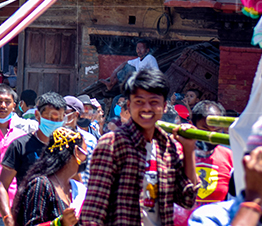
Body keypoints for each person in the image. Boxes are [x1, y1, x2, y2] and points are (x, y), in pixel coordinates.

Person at [79, 69, 197, 226]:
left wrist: (189, 150)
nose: (146, 108)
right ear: (129, 105)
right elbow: (93, 213)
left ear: (164, 106)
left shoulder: (169, 147)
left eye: (154, 102)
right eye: (139, 101)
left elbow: (187, 200)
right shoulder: (112, 145)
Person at [13, 127, 88, 226]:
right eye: (84, 153)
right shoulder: (41, 185)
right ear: (76, 152)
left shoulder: (77, 189)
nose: (86, 158)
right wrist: (60, 223)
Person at [1, 92, 67, 193]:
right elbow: (3, 186)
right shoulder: (20, 146)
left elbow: (77, 183)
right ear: (37, 115)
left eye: (58, 118)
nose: (54, 122)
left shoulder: (67, 147)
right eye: (49, 117)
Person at [0, 83, 30, 199]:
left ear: (14, 106)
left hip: (14, 199)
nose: (3, 106)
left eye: (7, 102)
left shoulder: (21, 136)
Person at [62, 96, 98, 184]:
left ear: (76, 115)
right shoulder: (54, 137)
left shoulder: (89, 140)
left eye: (66, 112)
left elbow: (94, 171)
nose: (63, 116)